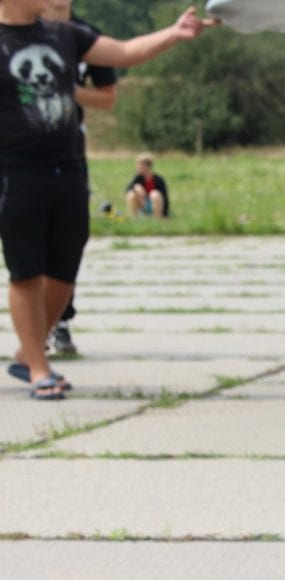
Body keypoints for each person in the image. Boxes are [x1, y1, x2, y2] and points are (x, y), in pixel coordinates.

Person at [1, 1, 215, 400]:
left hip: (68, 168)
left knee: (64, 268)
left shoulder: (64, 34)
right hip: (14, 173)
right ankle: (38, 367)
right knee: (26, 269)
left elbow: (124, 52)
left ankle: (28, 351)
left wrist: (174, 33)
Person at [41, 0, 118, 356]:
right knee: (22, 240)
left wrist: (63, 89)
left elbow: (107, 99)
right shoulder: (18, 30)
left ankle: (60, 321)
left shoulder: (87, 37)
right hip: (14, 148)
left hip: (67, 147)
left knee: (65, 238)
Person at [125, 152, 170, 218]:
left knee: (155, 194)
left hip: (155, 206)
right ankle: (135, 218)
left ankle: (158, 219)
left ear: (146, 167)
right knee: (131, 194)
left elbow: (165, 199)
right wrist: (135, 187)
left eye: (139, 166)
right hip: (142, 204)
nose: (137, 168)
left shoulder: (159, 179)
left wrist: (165, 215)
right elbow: (127, 190)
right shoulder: (138, 178)